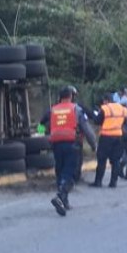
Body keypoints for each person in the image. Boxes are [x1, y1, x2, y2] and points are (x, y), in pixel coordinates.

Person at [42, 85, 96, 216]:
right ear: (71, 96)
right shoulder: (76, 109)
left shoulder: (52, 110)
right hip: (73, 144)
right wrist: (94, 144)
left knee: (60, 171)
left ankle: (64, 202)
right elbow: (86, 128)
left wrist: (45, 136)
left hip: (56, 145)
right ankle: (60, 196)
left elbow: (41, 124)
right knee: (70, 174)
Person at [90, 91, 127, 188]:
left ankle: (98, 182)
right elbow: (125, 121)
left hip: (106, 137)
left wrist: (95, 114)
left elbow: (97, 121)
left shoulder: (105, 108)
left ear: (105, 100)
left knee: (102, 160)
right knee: (116, 160)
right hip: (119, 136)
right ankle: (113, 183)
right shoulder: (122, 109)